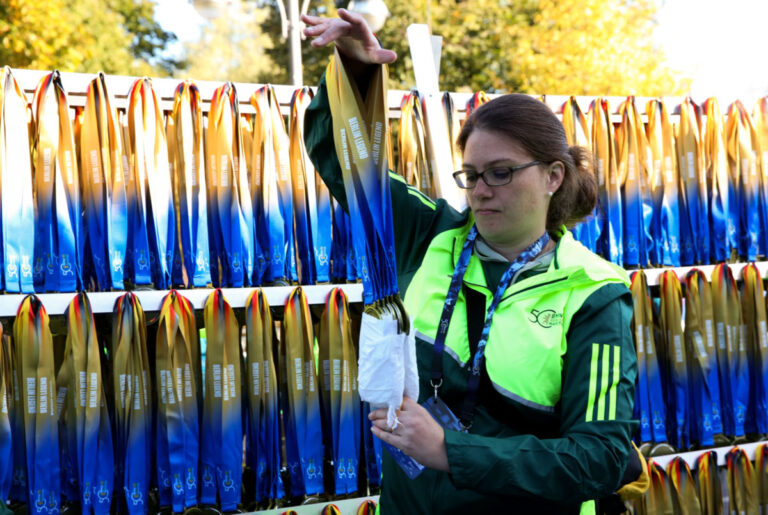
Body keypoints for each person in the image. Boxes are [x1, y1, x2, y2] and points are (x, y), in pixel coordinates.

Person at [302, 9, 638, 514]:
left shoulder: (594, 291)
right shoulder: (431, 234)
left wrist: (448, 451)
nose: (480, 191)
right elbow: (344, 159)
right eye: (471, 174)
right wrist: (355, 70)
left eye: (500, 173)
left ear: (552, 176)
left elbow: (602, 457)